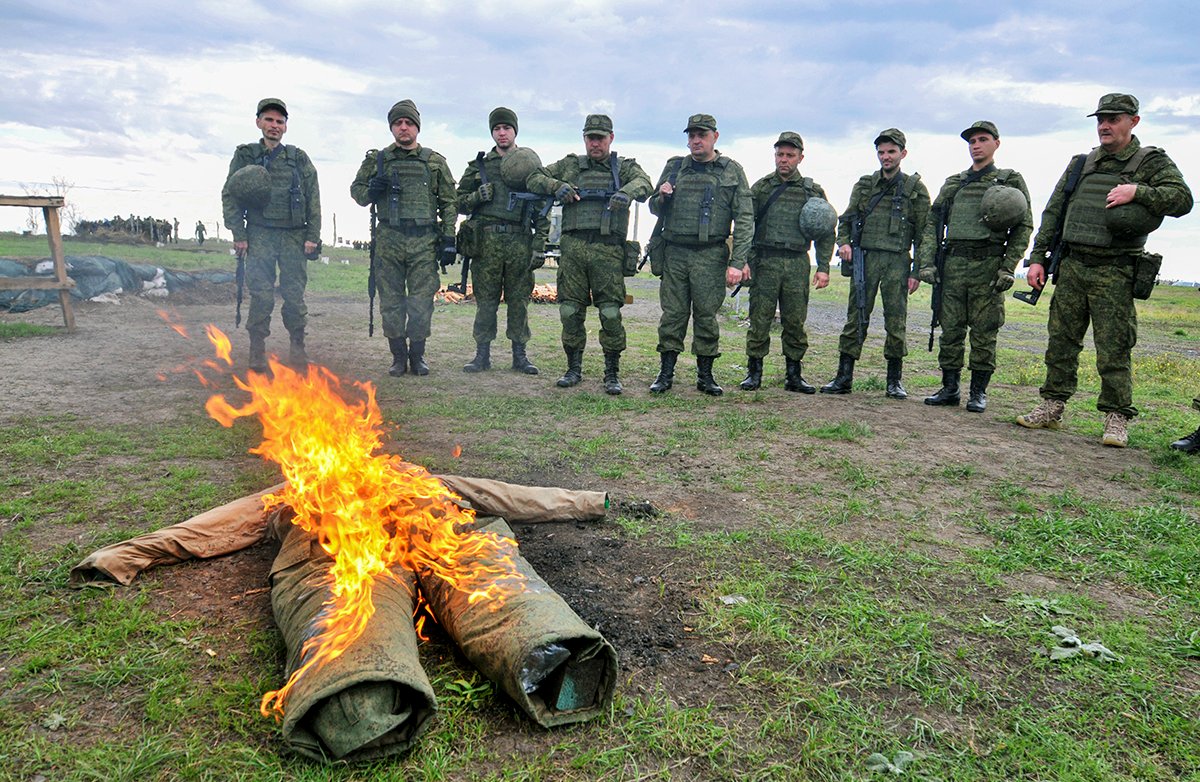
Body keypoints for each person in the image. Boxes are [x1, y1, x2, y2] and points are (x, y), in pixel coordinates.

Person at [1016, 93, 1192, 447]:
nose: (1105, 125)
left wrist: (1138, 191)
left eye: (1113, 118)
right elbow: (1055, 211)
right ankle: (1052, 406)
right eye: (1100, 119)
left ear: (1134, 122)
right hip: (1073, 265)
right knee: (1061, 341)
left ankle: (1116, 418)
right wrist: (1038, 257)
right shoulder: (1082, 163)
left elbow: (1182, 199)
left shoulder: (1151, 161)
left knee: (1114, 347)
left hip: (1115, 270)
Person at [526, 114, 652, 394]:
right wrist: (557, 186)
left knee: (610, 313)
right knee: (570, 310)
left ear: (611, 138)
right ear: (584, 139)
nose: (595, 143)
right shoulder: (570, 165)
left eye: (600, 138)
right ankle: (573, 369)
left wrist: (626, 193)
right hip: (573, 248)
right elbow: (534, 178)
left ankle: (612, 372)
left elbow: (645, 183)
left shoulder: (624, 167)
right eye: (590, 138)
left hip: (608, 250)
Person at [917, 121, 1033, 412]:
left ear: (997, 143)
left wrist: (1008, 267)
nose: (976, 145)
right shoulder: (954, 183)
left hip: (988, 264)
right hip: (953, 264)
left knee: (984, 331)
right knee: (951, 329)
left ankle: (978, 392)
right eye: (972, 141)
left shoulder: (1009, 182)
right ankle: (949, 388)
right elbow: (933, 223)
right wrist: (927, 262)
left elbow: (1023, 226)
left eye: (983, 139)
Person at [647, 113, 753, 396]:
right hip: (675, 252)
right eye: (691, 136)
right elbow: (654, 208)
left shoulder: (731, 170)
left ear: (714, 137)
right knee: (673, 314)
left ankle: (705, 375)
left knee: (706, 315)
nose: (695, 140)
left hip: (710, 254)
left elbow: (744, 218)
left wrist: (737, 262)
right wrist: (662, 197)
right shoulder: (674, 167)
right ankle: (665, 373)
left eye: (701, 135)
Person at [351, 99, 457, 377]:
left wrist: (449, 239)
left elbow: (449, 202)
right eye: (398, 123)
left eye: (408, 122)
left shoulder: (434, 162)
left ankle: (417, 355)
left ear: (417, 127)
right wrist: (372, 190)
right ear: (391, 128)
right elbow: (358, 193)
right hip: (389, 239)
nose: (403, 127)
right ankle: (398, 357)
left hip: (424, 241)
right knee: (391, 301)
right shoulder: (378, 160)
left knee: (421, 301)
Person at [821, 128, 930, 399]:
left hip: (897, 260)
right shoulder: (865, 185)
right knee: (856, 316)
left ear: (903, 154)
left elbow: (924, 232)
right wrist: (844, 243)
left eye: (891, 152)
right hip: (865, 258)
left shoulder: (915, 189)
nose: (886, 157)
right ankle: (844, 376)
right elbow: (846, 220)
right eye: (881, 152)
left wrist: (917, 271)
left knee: (896, 320)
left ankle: (894, 381)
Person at [220, 97, 321, 373]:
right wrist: (238, 233)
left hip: (293, 236)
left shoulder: (298, 158)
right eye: (269, 120)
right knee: (262, 295)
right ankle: (256, 353)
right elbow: (230, 194)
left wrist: (313, 235)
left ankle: (298, 350)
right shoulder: (246, 155)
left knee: (294, 295)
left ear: (286, 127)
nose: (274, 126)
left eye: (279, 121)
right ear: (258, 122)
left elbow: (313, 198)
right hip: (259, 234)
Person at [455, 107, 550, 375]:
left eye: (506, 128)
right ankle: (481, 355)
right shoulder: (479, 167)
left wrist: (539, 245)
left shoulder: (530, 167)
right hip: (486, 244)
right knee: (486, 301)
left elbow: (543, 209)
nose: (502, 133)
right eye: (497, 128)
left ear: (515, 131)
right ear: (492, 132)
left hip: (519, 240)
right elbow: (457, 201)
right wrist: (476, 197)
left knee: (519, 301)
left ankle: (520, 356)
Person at [740, 131, 834, 393]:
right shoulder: (761, 188)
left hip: (796, 263)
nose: (784, 159)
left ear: (800, 158)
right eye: (780, 154)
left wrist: (824, 267)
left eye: (790, 155)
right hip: (765, 261)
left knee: (795, 321)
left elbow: (826, 231)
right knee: (759, 318)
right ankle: (754, 372)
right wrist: (744, 260)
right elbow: (746, 225)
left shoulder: (812, 191)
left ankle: (794, 375)